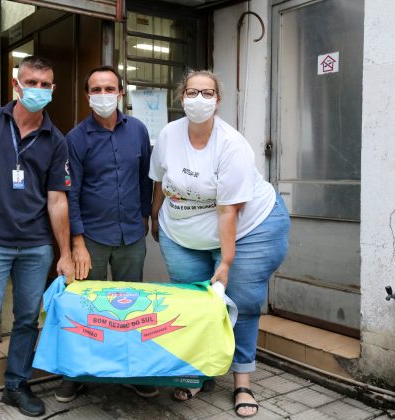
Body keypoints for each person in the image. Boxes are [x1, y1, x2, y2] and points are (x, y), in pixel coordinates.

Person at [149, 70, 290, 418]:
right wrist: (154, 217)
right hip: (183, 231)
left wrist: (225, 263)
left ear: (218, 100)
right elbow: (159, 181)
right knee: (191, 303)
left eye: (207, 93)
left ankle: (242, 380)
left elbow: (229, 212)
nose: (199, 99)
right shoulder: (168, 134)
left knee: (238, 301)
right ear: (181, 97)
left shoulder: (231, 145)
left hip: (248, 228)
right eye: (192, 92)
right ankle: (197, 372)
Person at [0, 55, 74, 420]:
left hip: (35, 245)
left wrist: (64, 252)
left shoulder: (56, 139)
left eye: (44, 84)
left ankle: (16, 385)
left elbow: (57, 199)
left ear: (53, 89)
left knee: (26, 319)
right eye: (31, 82)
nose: (37, 89)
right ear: (16, 85)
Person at [54, 65, 155, 403]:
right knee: (87, 309)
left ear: (121, 93)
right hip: (92, 239)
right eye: (96, 89)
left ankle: (133, 372)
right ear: (87, 96)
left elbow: (145, 179)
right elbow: (71, 194)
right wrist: (77, 243)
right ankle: (77, 374)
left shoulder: (138, 130)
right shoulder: (75, 138)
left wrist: (144, 218)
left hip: (131, 236)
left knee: (132, 309)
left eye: (109, 88)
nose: (103, 95)